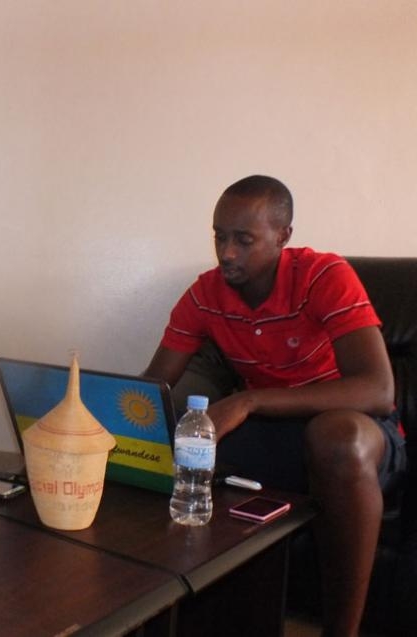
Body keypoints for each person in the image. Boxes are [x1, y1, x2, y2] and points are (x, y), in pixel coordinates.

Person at [144, 175, 406, 636]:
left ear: (283, 237)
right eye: (220, 237)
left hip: (358, 433)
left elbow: (377, 389)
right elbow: (151, 390)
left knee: (334, 437)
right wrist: (89, 416)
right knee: (191, 447)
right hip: (277, 436)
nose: (227, 253)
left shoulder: (323, 276)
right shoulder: (206, 293)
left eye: (244, 240)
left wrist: (250, 399)